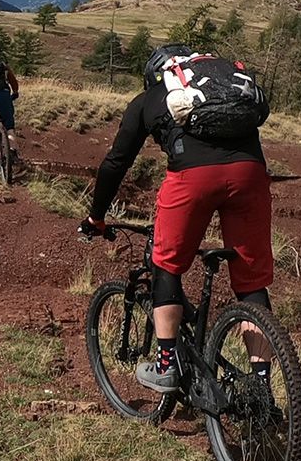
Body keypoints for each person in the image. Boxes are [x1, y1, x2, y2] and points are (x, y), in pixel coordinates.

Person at [80, 44, 274, 393]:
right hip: (251, 174)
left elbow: (115, 163)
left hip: (192, 177)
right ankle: (263, 387)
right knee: (251, 282)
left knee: (166, 265)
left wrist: (96, 217)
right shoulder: (223, 85)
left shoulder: (149, 98)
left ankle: (166, 364)